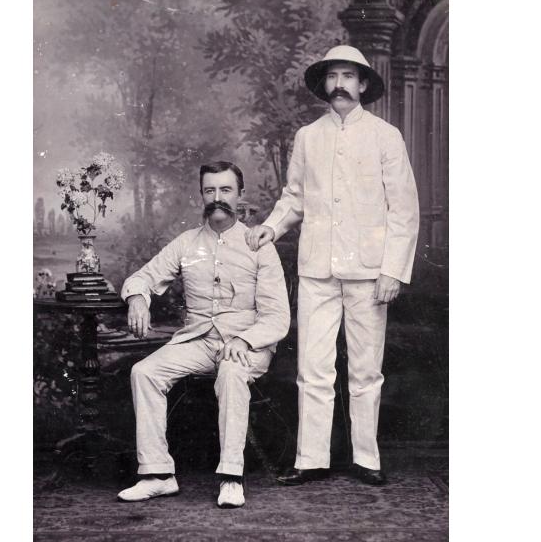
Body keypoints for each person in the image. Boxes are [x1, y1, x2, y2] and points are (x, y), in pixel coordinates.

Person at [246, 45, 420, 486]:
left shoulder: (386, 136)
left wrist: (392, 270)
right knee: (313, 368)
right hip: (317, 270)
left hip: (368, 273)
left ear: (363, 84)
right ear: (324, 84)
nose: (339, 84)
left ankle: (367, 459)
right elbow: (295, 197)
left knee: (365, 370)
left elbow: (404, 209)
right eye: (332, 76)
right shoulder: (309, 136)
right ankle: (312, 459)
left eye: (348, 76)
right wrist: (271, 227)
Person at [118, 161, 290, 508]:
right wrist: (138, 298)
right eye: (210, 190)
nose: (217, 198)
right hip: (198, 340)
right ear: (202, 194)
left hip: (247, 343)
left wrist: (243, 340)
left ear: (240, 195)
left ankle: (231, 477)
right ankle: (157, 475)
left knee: (230, 371)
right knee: (144, 372)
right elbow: (142, 277)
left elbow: (278, 318)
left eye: (225, 190)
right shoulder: (186, 243)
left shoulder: (259, 245)